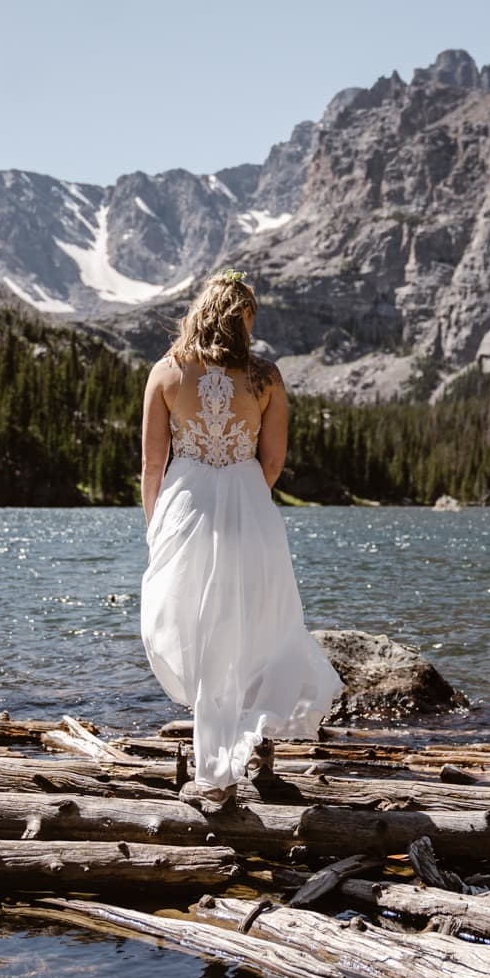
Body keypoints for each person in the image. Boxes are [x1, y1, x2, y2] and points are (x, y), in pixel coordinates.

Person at [140, 269, 343, 808]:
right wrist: (245, 493)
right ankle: (256, 746)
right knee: (261, 625)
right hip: (250, 510)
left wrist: (157, 530)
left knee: (201, 634)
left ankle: (214, 773)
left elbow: (151, 466)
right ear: (241, 320)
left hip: (185, 511)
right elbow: (272, 461)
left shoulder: (165, 373)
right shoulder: (265, 378)